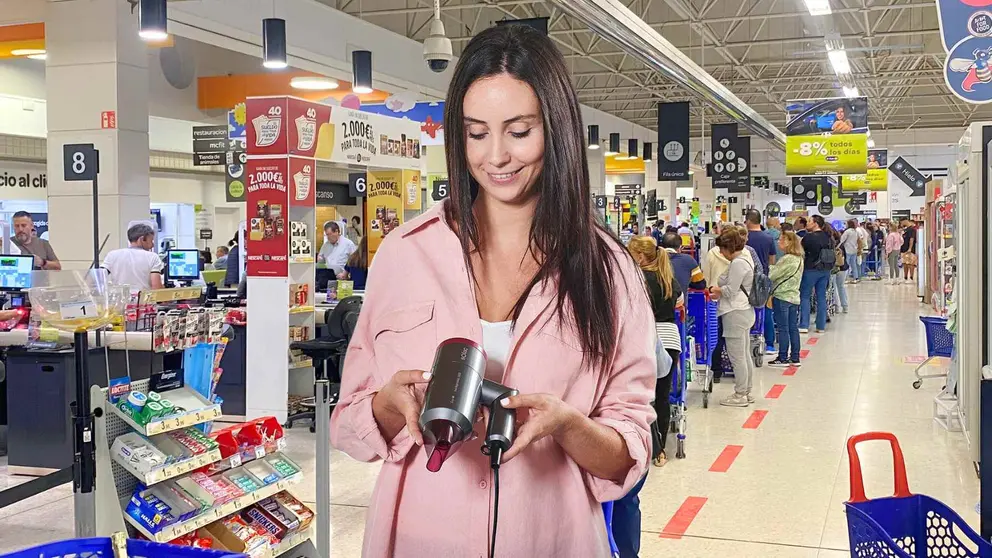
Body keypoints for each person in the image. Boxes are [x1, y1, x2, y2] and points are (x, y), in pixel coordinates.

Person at [328, 25, 656, 558]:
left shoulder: (607, 270)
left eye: (519, 131)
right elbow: (349, 424)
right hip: (418, 539)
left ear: (556, 129)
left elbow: (629, 454)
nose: (496, 156)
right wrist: (389, 408)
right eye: (477, 133)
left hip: (553, 540)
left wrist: (569, 426)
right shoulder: (405, 253)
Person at [627, 236, 681, 468]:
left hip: (646, 339)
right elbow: (678, 304)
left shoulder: (637, 279)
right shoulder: (668, 278)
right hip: (671, 338)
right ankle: (662, 451)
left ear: (640, 256)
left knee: (643, 397)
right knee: (662, 395)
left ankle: (654, 448)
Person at [708, 229, 755, 407]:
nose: (720, 252)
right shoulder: (744, 259)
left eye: (722, 249)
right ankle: (747, 391)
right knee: (744, 354)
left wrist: (718, 290)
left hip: (734, 312)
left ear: (729, 247)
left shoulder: (737, 264)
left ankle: (740, 394)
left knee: (737, 357)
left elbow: (729, 290)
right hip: (744, 311)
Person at [767, 231, 804, 367]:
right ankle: (795, 357)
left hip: (782, 296)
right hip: (794, 297)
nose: (779, 242)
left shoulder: (787, 259)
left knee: (783, 328)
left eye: (782, 240)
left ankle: (782, 356)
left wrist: (769, 267)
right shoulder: (799, 258)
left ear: (790, 242)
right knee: (793, 328)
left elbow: (773, 275)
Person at [745, 209, 776, 354]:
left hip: (743, 281)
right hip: (762, 281)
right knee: (765, 310)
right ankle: (769, 343)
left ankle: (746, 338)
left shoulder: (743, 238)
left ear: (748, 221)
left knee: (744, 310)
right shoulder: (768, 238)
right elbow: (772, 260)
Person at [101, 223, 164, 293]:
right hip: (142, 302)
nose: (152, 245)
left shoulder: (112, 255)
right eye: (151, 240)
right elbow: (156, 287)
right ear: (142, 239)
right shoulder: (153, 257)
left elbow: (99, 277)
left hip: (119, 302)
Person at [799, 215, 834, 333]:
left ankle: (804, 325)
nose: (807, 223)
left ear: (815, 223)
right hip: (825, 269)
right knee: (821, 297)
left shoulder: (808, 238)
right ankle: (821, 326)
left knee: (805, 296)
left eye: (809, 221)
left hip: (810, 269)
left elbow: (801, 251)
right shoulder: (828, 237)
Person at [825, 222, 849, 315]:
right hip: (843, 266)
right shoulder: (839, 241)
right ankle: (845, 306)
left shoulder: (827, 242)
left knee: (833, 287)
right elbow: (845, 255)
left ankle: (836, 307)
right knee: (841, 287)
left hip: (832, 267)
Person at [840, 219, 861, 284]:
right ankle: (856, 278)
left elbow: (842, 239)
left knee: (847, 265)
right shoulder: (855, 231)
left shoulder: (847, 231)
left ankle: (845, 278)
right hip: (854, 249)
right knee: (853, 265)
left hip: (847, 249)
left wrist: (838, 246)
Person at [901, 219, 918, 284]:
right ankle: (905, 277)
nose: (901, 224)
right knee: (905, 263)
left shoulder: (912, 230)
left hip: (910, 250)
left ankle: (911, 277)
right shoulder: (905, 230)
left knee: (910, 264)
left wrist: (910, 248)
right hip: (904, 249)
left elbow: (912, 239)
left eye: (902, 222)